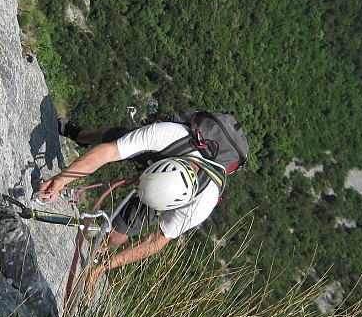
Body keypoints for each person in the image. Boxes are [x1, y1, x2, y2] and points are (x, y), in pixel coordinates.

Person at [37, 118, 224, 284]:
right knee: (115, 137)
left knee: (123, 228)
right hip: (165, 153)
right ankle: (80, 135)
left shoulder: (201, 203)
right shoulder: (168, 135)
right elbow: (108, 153)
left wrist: (104, 267)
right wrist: (61, 180)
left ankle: (101, 249)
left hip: (172, 190)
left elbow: (155, 241)